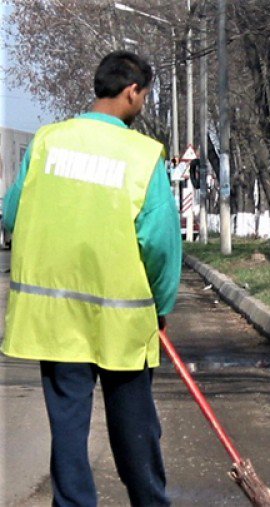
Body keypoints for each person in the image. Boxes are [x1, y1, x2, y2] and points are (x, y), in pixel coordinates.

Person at [2, 51, 181, 506]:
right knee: (134, 427)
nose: (141, 104)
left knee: (68, 428)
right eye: (143, 96)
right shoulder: (142, 155)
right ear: (131, 92)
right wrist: (160, 307)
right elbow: (159, 244)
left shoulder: (47, 142)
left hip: (56, 318)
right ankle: (149, 501)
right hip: (121, 323)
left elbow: (11, 215)